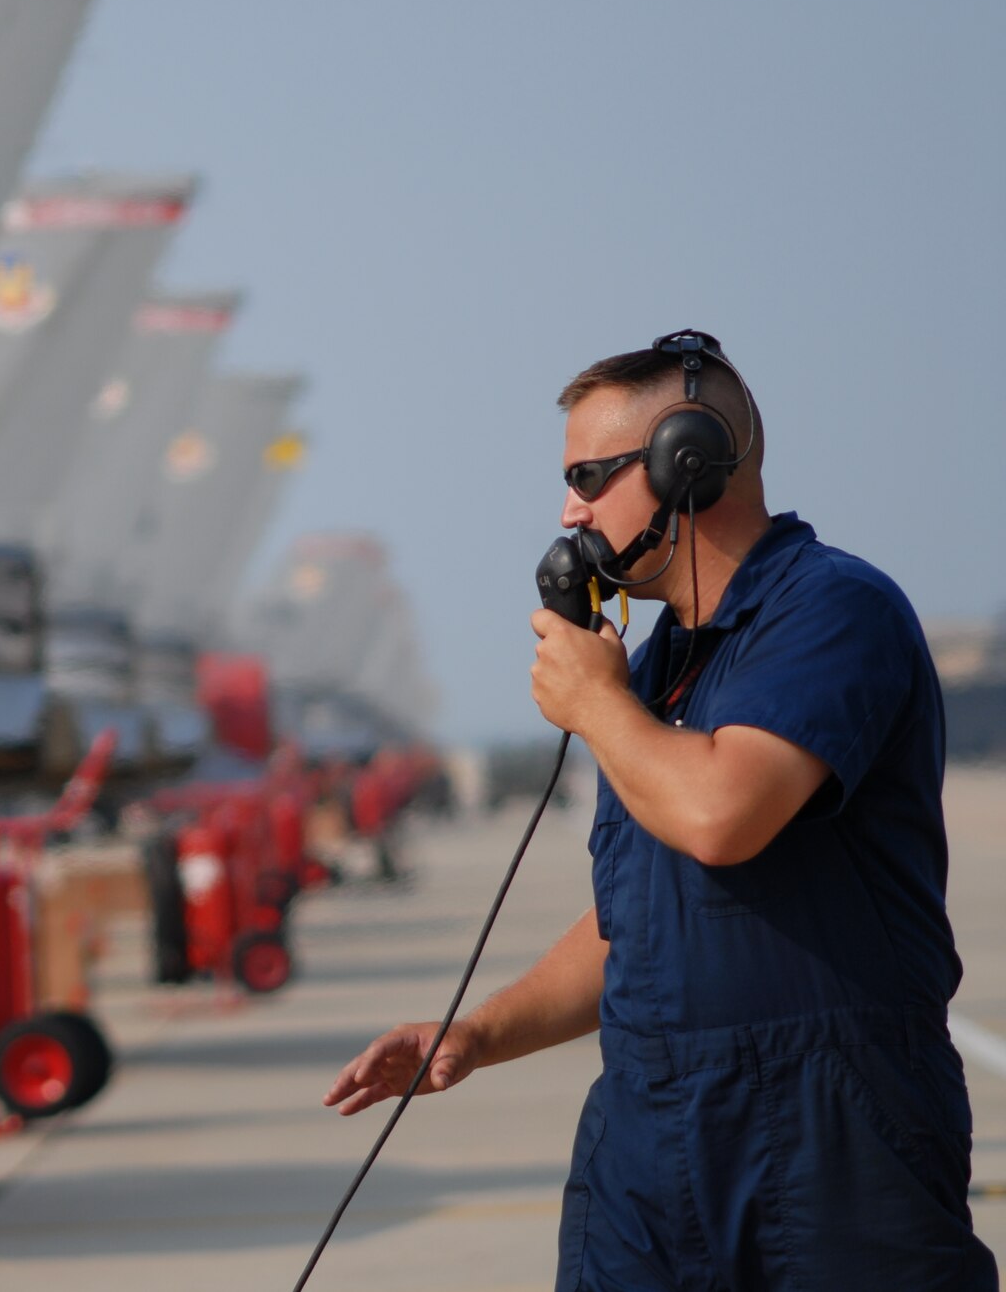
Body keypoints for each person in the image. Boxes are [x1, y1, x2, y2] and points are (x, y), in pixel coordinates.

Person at [323, 332, 997, 1289]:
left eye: (590, 476)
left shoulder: (833, 611)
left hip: (834, 1135)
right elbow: (632, 923)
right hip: (650, 1137)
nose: (569, 511)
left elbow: (723, 814)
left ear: (690, 463)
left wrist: (597, 705)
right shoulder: (657, 670)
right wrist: (472, 1035)